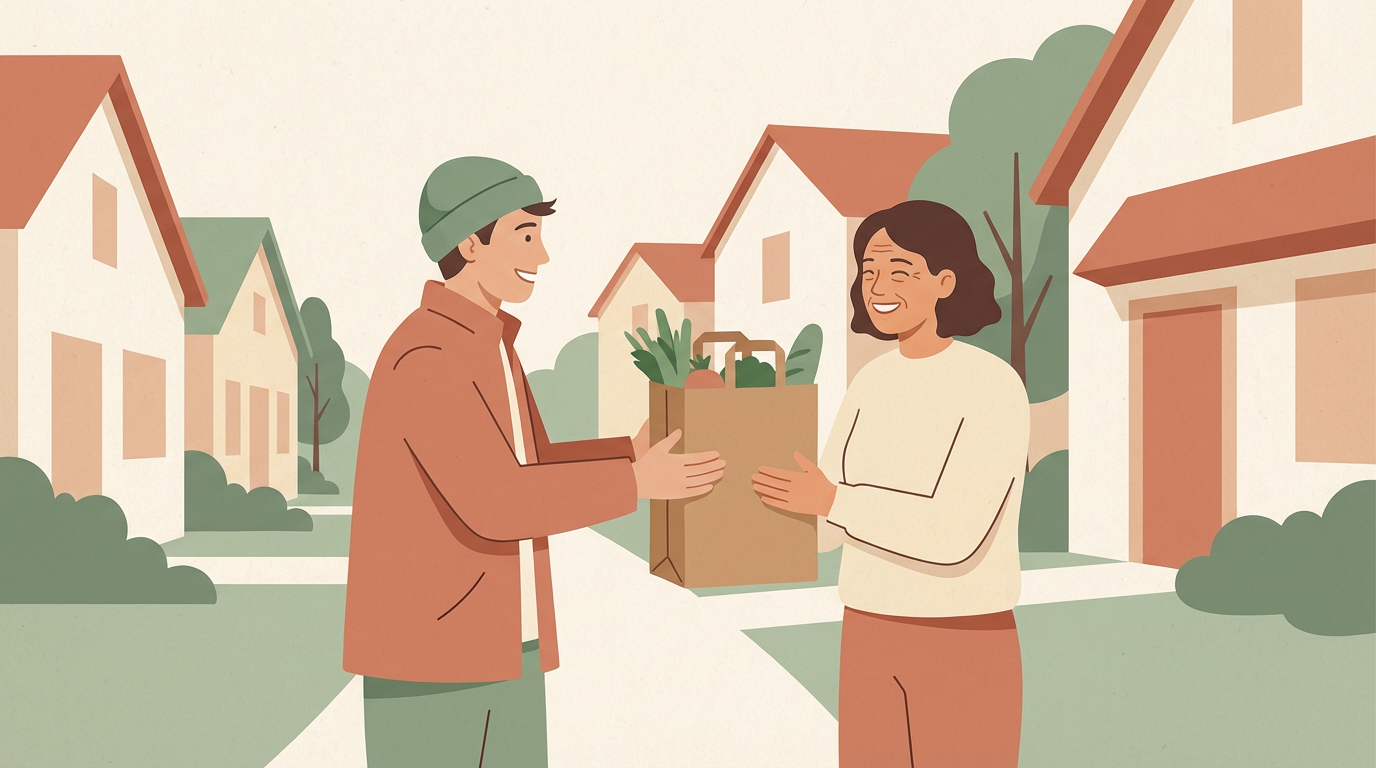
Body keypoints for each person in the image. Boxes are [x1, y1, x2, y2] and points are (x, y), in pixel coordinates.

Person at [343, 156, 725, 768]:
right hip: (432, 664)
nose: (542, 256)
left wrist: (630, 448)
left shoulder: (491, 345)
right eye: (526, 235)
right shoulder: (427, 354)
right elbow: (497, 500)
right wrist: (634, 480)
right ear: (469, 242)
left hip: (505, 649)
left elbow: (532, 463)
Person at [751, 199, 1029, 767]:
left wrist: (832, 501)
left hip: (961, 639)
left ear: (945, 281)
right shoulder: (869, 382)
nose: (877, 285)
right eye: (869, 271)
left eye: (900, 271)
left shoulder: (991, 385)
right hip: (868, 634)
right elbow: (827, 525)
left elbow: (954, 535)